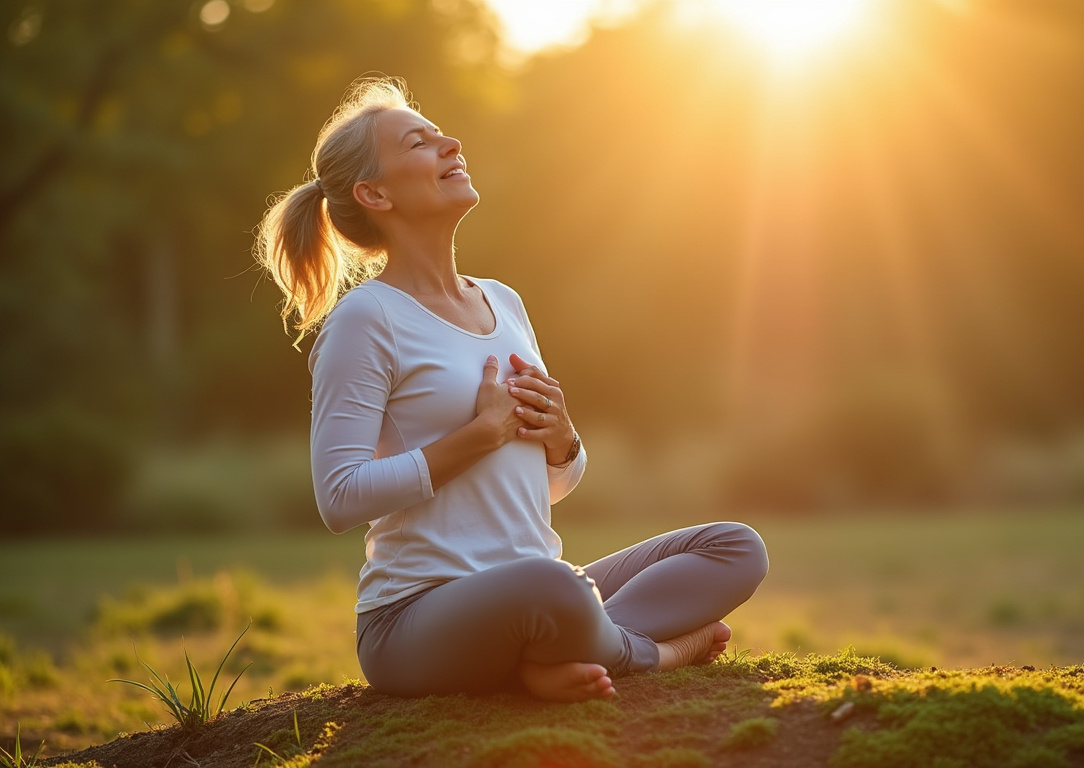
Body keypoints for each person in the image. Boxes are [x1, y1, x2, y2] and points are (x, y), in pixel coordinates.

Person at [253, 78, 768, 702]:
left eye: (441, 132)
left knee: (734, 547)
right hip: (416, 618)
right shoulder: (367, 319)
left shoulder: (503, 301)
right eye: (421, 141)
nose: (451, 143)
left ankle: (552, 651)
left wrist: (563, 442)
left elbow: (545, 485)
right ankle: (656, 653)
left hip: (537, 586)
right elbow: (339, 498)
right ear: (374, 193)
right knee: (552, 589)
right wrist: (480, 435)